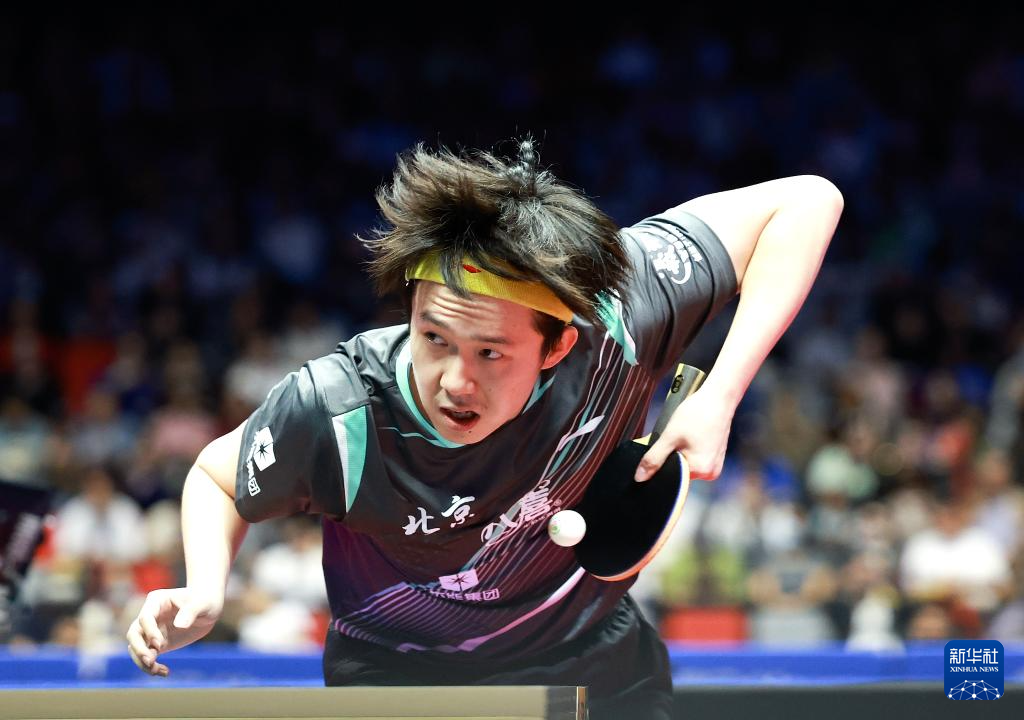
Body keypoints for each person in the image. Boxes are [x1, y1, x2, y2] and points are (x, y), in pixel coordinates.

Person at [126, 138, 842, 719]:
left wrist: (719, 394)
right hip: (399, 680)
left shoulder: (619, 317)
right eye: (434, 338)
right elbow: (219, 476)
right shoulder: (339, 408)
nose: (455, 381)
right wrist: (207, 589)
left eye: (491, 353)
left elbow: (808, 201)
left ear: (559, 345)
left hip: (593, 664)